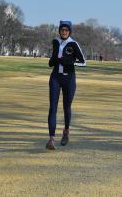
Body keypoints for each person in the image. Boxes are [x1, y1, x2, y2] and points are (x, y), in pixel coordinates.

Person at [46, 21, 86, 150]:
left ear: (70, 32)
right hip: (55, 78)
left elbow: (83, 62)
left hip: (69, 79)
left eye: (66, 30)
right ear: (59, 31)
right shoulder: (55, 42)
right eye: (62, 30)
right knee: (52, 107)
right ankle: (51, 139)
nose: (64, 32)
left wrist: (70, 62)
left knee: (66, 107)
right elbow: (53, 57)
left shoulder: (73, 44)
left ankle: (66, 132)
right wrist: (52, 60)